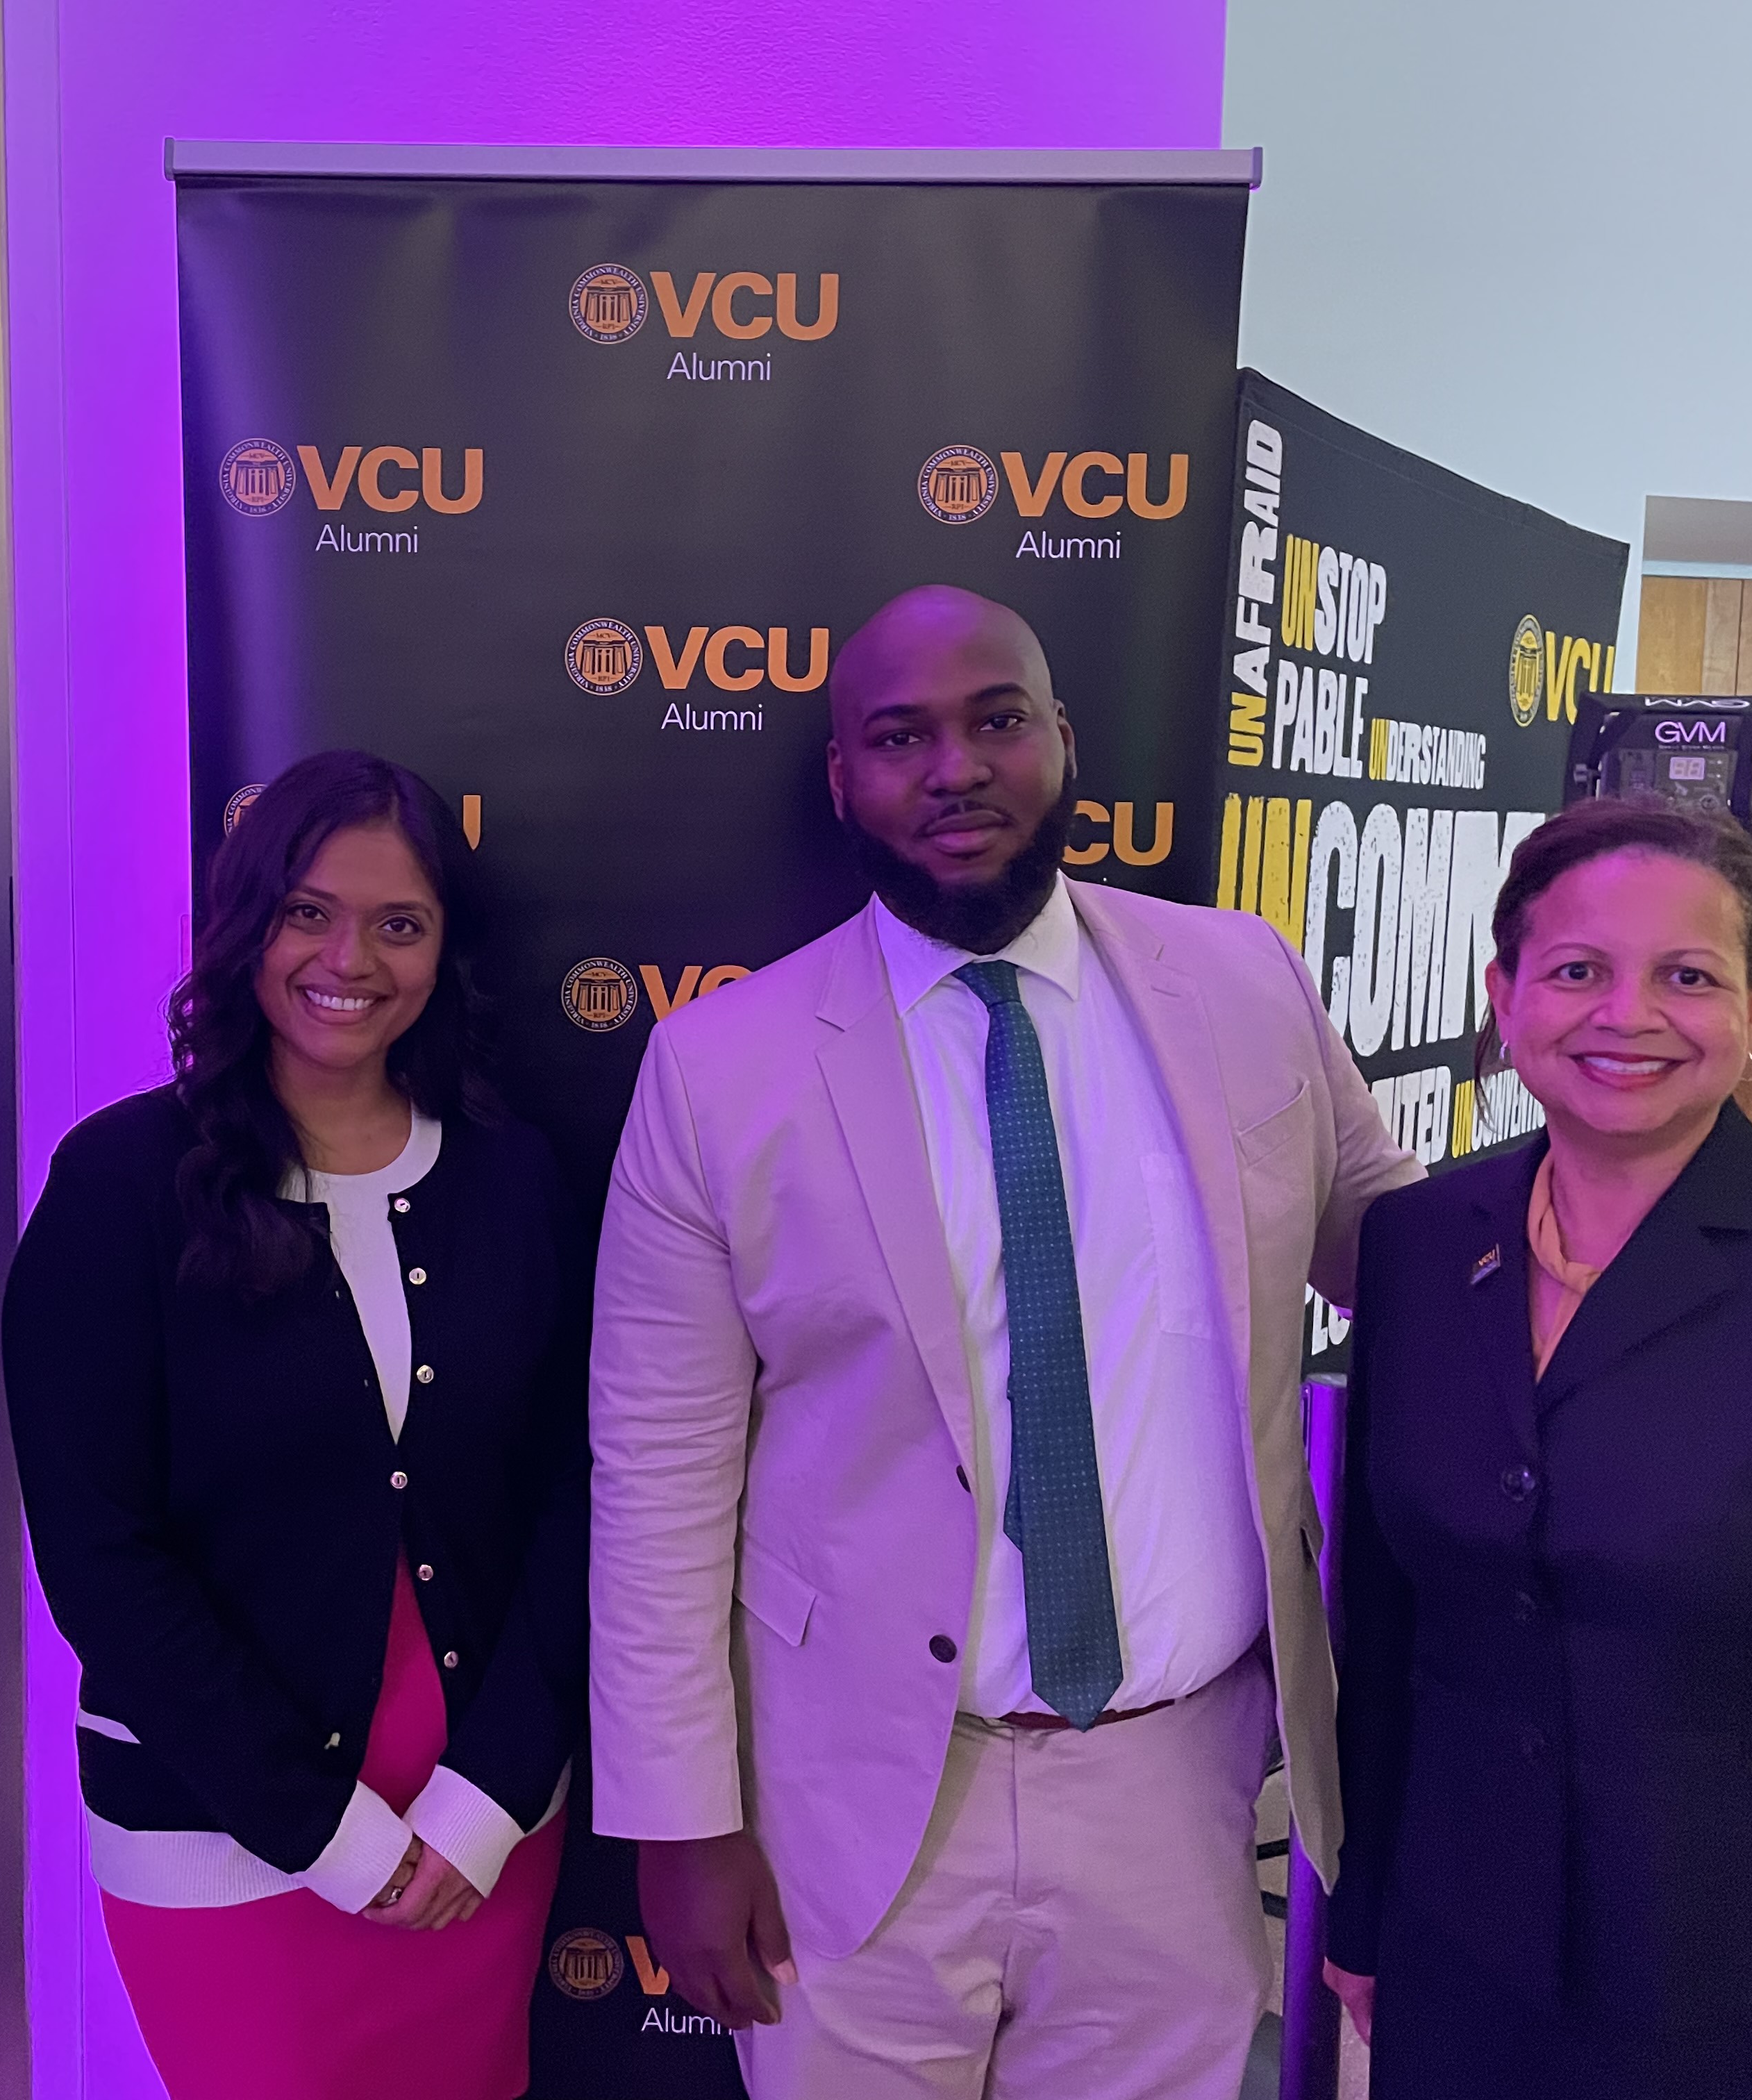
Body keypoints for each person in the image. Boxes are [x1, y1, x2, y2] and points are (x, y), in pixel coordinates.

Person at [586, 583, 1421, 2098]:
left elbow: (1405, 1254)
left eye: (996, 721)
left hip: (1180, 1780)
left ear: (1064, 742)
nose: (954, 768)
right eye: (899, 738)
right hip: (849, 1805)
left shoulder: (1243, 981)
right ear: (842, 779)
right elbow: (657, 1482)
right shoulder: (720, 1073)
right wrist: (681, 1822)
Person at [1324, 796, 1752, 2097]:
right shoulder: (1416, 1248)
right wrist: (1363, 1917)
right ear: (1505, 996)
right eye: (1577, 970)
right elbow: (1391, 1623)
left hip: (1732, 1993)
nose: (1627, 1015)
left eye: (1686, 976)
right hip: (1459, 1964)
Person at [3, 750, 585, 2100]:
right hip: (219, 1843)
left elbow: (580, 1497)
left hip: (479, 1839)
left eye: (400, 923)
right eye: (308, 912)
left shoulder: (515, 1180)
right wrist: (326, 1830)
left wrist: (488, 1798)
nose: (351, 958)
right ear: (245, 923)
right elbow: (102, 1559)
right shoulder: (117, 1186)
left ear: (446, 948)